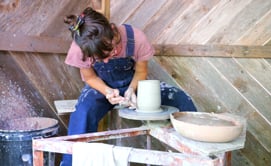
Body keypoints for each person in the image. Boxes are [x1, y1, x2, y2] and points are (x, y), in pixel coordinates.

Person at [61, 7, 197, 166]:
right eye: (99, 58)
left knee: (181, 99)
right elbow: (90, 77)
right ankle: (70, 163)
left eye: (109, 53)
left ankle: (197, 159)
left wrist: (132, 89)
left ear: (112, 30)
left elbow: (141, 71)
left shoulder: (135, 37)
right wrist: (107, 92)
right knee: (82, 114)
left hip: (132, 82)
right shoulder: (81, 48)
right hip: (100, 86)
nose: (105, 61)